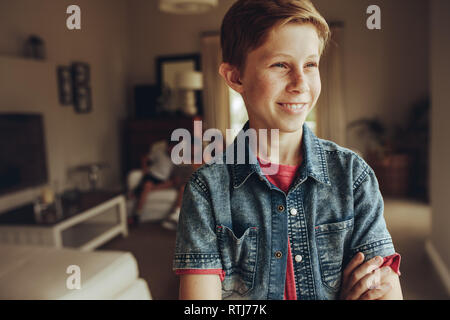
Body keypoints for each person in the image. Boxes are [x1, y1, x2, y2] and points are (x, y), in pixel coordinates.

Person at [173, 0, 403, 300]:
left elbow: (387, 292)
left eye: (310, 64)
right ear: (235, 77)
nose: (300, 83)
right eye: (280, 64)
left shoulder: (354, 176)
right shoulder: (206, 191)